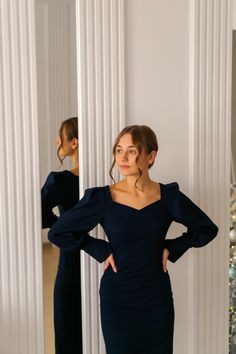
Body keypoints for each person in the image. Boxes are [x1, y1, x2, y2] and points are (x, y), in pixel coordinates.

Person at [47, 124, 218, 354]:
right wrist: (100, 249)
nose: (123, 157)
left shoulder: (168, 196)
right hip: (117, 298)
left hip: (157, 298)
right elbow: (58, 232)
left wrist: (172, 247)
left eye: (132, 151)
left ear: (151, 156)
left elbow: (207, 228)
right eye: (118, 150)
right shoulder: (102, 198)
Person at [41, 117, 83, 354]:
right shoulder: (107, 180)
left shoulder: (63, 181)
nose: (57, 140)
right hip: (104, 259)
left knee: (67, 329)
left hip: (70, 262)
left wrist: (59, 225)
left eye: (61, 136)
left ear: (74, 143)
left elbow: (36, 211)